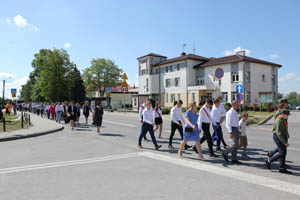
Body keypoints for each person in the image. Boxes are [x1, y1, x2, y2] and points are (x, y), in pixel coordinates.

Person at [265, 110, 292, 174]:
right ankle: (269, 160)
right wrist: (284, 142)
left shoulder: (283, 119)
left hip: (282, 137)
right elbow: (278, 133)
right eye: (287, 115)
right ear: (282, 114)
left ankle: (281, 168)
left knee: (283, 152)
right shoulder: (279, 121)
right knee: (282, 152)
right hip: (278, 137)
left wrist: (286, 137)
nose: (287, 116)